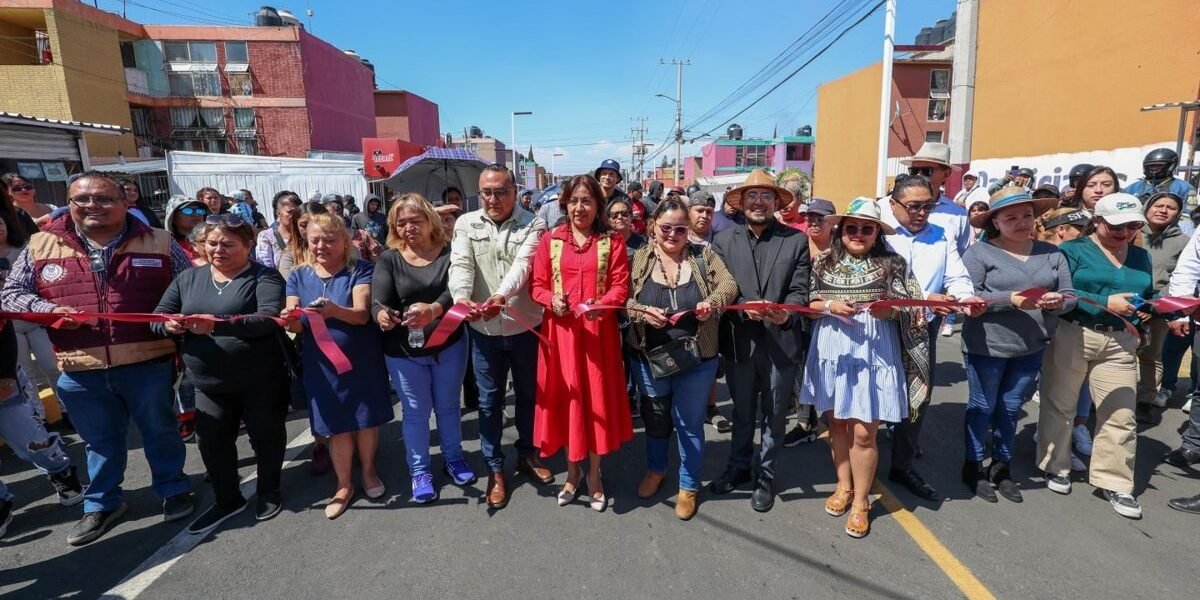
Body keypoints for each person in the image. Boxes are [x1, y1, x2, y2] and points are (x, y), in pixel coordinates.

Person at [0, 172, 193, 546]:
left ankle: (173, 489)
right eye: (81, 200)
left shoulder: (161, 242)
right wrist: (49, 307)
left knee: (160, 431)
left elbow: (190, 289)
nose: (92, 206)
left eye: (103, 199)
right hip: (78, 366)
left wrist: (178, 318)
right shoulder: (41, 245)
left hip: (148, 361)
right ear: (69, 204)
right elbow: (10, 295)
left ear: (124, 203)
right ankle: (103, 503)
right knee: (99, 441)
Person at [153, 215, 289, 534]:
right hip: (207, 382)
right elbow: (158, 315)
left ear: (248, 245)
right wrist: (167, 325)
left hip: (260, 378)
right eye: (212, 243)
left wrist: (217, 324)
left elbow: (268, 320)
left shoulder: (264, 277)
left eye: (228, 244)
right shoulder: (188, 278)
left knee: (266, 435)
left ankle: (269, 490)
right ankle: (227, 498)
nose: (218, 250)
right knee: (212, 441)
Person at [802, 198, 928, 537]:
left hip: (876, 347)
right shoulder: (822, 262)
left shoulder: (893, 263)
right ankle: (843, 485)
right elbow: (808, 302)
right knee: (838, 422)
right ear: (841, 230)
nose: (858, 233)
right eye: (852, 228)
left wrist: (890, 312)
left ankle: (861, 502)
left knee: (864, 431)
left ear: (877, 233)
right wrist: (829, 304)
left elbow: (914, 308)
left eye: (867, 228)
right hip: (832, 343)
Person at [1038, 192, 1153, 519]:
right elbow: (1058, 291)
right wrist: (1104, 302)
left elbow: (1147, 291)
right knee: (1060, 402)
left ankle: (1115, 481)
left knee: (1121, 412)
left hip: (1121, 339)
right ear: (1097, 221)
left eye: (1132, 225)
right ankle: (1055, 465)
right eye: (1117, 225)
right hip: (1075, 331)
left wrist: (1152, 310)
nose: (1125, 232)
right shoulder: (1070, 251)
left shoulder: (1140, 256)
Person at [448, 164, 553, 509]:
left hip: (524, 326)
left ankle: (528, 454)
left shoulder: (534, 223)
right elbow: (461, 264)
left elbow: (523, 266)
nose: (493, 199)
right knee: (490, 402)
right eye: (487, 193)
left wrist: (500, 297)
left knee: (528, 395)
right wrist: (462, 299)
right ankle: (495, 468)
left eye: (501, 192)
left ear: (514, 190)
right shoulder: (466, 223)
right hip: (484, 330)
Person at [625, 198, 737, 519]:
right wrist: (641, 311)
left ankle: (689, 485)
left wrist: (712, 302)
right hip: (650, 358)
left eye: (680, 229)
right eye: (666, 227)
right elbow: (624, 299)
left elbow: (728, 284)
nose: (672, 234)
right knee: (656, 419)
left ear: (688, 230)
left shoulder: (704, 255)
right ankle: (656, 470)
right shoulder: (640, 258)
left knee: (689, 423)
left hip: (697, 358)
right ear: (653, 227)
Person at [709, 168, 810, 513]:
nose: (758, 202)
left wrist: (789, 313)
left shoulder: (795, 240)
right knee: (742, 412)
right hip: (739, 339)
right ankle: (738, 467)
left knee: (775, 413)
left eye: (766, 196)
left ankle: (765, 475)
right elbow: (718, 289)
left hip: (781, 341)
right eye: (752, 196)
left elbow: (800, 289)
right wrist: (739, 310)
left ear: (776, 202)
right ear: (741, 202)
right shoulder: (723, 240)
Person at [879, 175, 984, 501]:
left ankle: (902, 464)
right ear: (893, 204)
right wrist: (926, 298)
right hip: (879, 329)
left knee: (918, 398)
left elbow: (956, 274)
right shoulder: (878, 235)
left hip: (922, 331)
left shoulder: (941, 236)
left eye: (928, 206)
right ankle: (859, 466)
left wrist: (966, 298)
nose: (922, 213)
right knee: (874, 396)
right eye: (913, 206)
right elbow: (873, 286)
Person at [530, 174, 632, 512]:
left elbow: (620, 286)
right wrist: (550, 300)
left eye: (587, 201)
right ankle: (571, 474)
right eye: (574, 201)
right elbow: (538, 285)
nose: (579, 207)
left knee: (594, 404)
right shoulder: (550, 241)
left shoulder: (612, 242)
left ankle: (594, 475)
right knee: (566, 402)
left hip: (597, 337)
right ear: (564, 204)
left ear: (598, 205)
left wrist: (601, 307)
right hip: (560, 337)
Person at [960, 188, 1068, 503]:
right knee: (982, 407)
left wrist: (1056, 302)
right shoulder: (979, 255)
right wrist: (1011, 300)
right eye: (1011, 217)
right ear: (995, 221)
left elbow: (1070, 296)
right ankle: (973, 464)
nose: (1021, 222)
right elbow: (968, 296)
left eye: (1027, 215)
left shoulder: (1052, 253)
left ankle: (1002, 466)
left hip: (1031, 345)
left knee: (1010, 408)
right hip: (987, 344)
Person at [284, 213, 392, 518]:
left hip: (362, 359)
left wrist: (331, 311)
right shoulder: (297, 275)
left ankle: (369, 472)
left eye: (330, 240)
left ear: (344, 241)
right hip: (321, 365)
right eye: (316, 240)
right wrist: (290, 319)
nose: (321, 246)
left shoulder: (361, 269)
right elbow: (294, 324)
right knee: (337, 426)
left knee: (365, 420)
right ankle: (343, 485)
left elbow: (361, 314)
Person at [374, 194, 476, 504]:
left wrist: (434, 307)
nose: (407, 228)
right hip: (404, 352)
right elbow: (379, 299)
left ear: (429, 221)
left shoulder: (450, 252)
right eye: (400, 223)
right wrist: (380, 314)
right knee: (416, 414)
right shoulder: (389, 258)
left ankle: (453, 458)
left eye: (414, 221)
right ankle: (419, 471)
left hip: (449, 344)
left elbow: (457, 289)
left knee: (448, 407)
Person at [1136, 192, 1189, 426]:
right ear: (1147, 207)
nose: (1163, 210)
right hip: (1127, 303)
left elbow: (1181, 278)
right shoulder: (1131, 231)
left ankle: (1145, 401)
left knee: (1151, 356)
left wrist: (1155, 305)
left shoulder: (1183, 242)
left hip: (1159, 307)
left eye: (1171, 207)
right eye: (1158, 205)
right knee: (1120, 354)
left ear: (1178, 214)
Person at [162, 195, 211, 441]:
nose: (194, 214)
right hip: (178, 315)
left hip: (210, 312)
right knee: (184, 373)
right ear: (174, 215)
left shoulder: (213, 240)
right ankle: (187, 417)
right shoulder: (164, 244)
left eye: (199, 209)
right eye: (188, 210)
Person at [900, 142, 972, 255]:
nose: (918, 176)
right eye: (914, 171)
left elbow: (963, 255)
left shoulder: (959, 215)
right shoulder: (887, 207)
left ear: (946, 174)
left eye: (926, 171)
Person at [1124, 148, 1197, 203]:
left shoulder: (1185, 188)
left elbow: (1187, 216)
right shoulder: (1131, 188)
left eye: (1158, 166)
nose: (1154, 169)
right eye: (1151, 166)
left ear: (1171, 166)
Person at [255, 191, 302, 271]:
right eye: (290, 212)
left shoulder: (304, 234)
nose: (294, 216)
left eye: (297, 212)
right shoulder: (266, 236)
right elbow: (265, 268)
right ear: (278, 213)